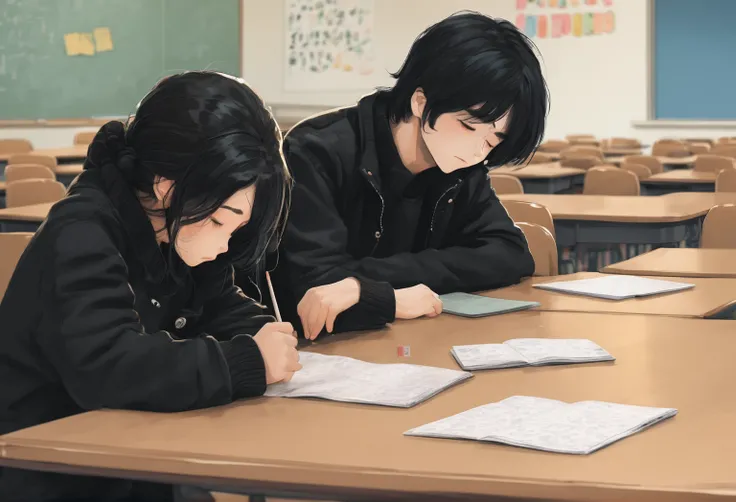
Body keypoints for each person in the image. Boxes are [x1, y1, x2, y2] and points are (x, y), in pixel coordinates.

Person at [0, 72, 300, 501]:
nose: (223, 243)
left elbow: (216, 302)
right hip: (52, 469)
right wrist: (245, 361)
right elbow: (110, 364)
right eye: (219, 221)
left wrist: (267, 333)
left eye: (237, 227)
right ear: (167, 187)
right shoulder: (81, 232)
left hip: (128, 451)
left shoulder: (173, 225)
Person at [270, 12, 548, 340]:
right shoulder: (317, 151)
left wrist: (365, 284)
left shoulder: (463, 166)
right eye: (468, 126)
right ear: (420, 101)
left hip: (416, 341)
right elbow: (317, 290)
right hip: (322, 351)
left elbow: (510, 254)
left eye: (492, 139)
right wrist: (391, 298)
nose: (477, 152)